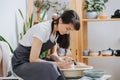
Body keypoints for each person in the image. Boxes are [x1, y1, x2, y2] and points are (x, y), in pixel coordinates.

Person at [11, 10, 80, 80]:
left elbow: (53, 54)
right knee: (51, 66)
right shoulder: (43, 29)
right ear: (60, 21)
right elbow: (33, 59)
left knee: (52, 63)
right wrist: (60, 64)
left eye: (70, 30)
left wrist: (61, 61)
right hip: (20, 64)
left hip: (30, 62)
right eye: (67, 28)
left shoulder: (56, 33)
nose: (67, 32)